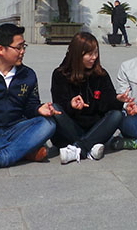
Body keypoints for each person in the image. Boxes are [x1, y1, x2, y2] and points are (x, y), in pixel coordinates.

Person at [0, 23, 59, 173]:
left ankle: (0, 158)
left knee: (48, 124)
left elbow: (30, 106)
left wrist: (39, 109)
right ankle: (26, 152)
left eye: (24, 47)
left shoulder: (28, 75)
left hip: (16, 128)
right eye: (18, 47)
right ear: (1, 49)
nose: (23, 52)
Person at [51, 32, 124, 164]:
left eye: (96, 53)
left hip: (95, 126)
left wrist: (118, 100)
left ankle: (78, 149)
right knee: (55, 109)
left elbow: (108, 104)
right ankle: (90, 146)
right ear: (77, 54)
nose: (94, 58)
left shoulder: (101, 74)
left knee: (117, 115)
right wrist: (71, 105)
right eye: (89, 54)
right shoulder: (60, 75)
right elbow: (59, 104)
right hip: (72, 127)